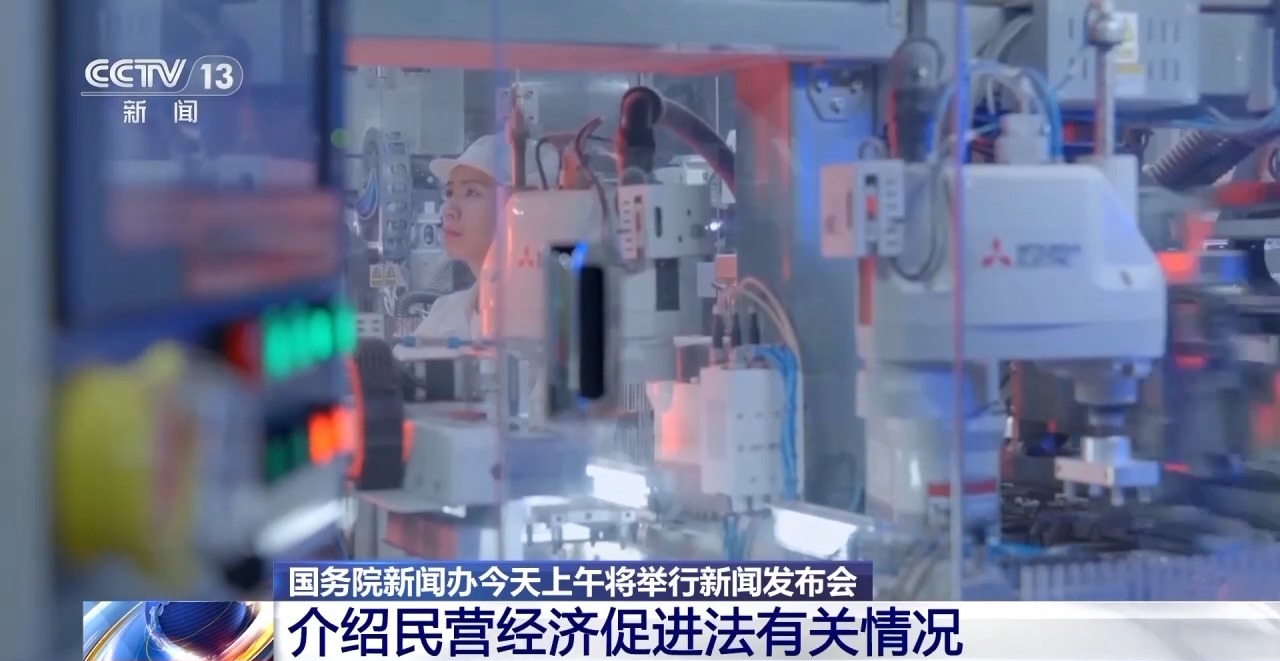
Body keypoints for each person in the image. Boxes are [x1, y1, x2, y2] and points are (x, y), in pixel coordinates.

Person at [411, 133, 558, 342]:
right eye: (450, 193)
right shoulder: (443, 314)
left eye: (471, 193)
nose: (449, 210)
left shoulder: (551, 320)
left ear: (525, 208)